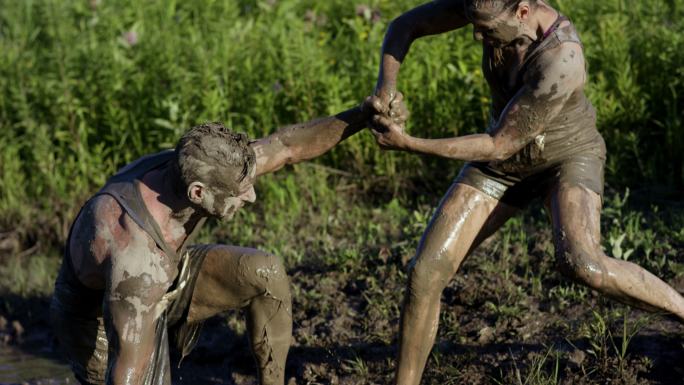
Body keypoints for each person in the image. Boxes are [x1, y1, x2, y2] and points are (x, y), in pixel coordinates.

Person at [364, 1, 684, 384]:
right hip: (504, 164)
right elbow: (404, 25)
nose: (476, 35)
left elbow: (499, 144)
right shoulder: (483, 4)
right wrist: (387, 87)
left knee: (583, 263)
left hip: (564, 156)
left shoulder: (562, 58)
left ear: (523, 11)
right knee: (425, 272)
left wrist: (412, 143)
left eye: (485, 29)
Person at [49, 100, 407, 385]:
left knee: (264, 272)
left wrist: (361, 116)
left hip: (164, 273)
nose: (250, 197)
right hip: (104, 324)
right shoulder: (136, 259)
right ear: (198, 193)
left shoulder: (202, 165)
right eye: (240, 193)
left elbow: (285, 147)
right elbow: (125, 373)